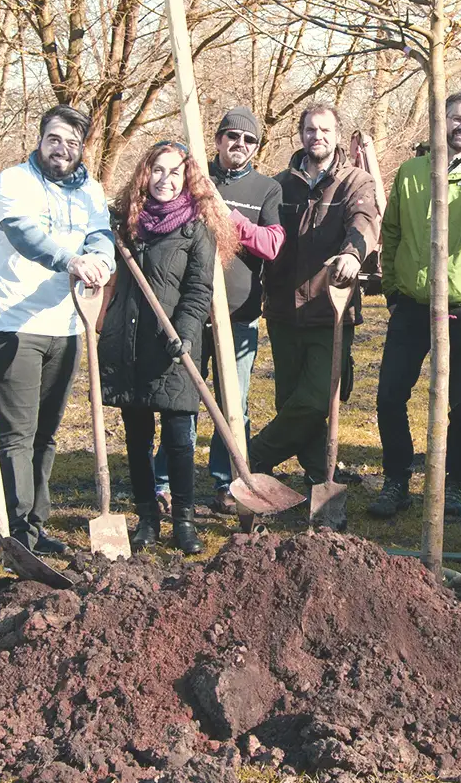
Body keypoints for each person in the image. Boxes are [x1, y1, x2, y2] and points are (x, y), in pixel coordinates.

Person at [0, 106, 114, 556]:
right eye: (54, 139)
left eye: (73, 143)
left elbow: (100, 234)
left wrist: (101, 259)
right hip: (14, 323)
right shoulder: (15, 181)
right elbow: (23, 234)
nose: (62, 149)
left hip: (68, 324)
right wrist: (70, 260)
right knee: (18, 433)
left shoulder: (90, 190)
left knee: (46, 434)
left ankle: (36, 524)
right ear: (40, 139)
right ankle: (18, 532)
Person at [371, 92, 461, 519]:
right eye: (455, 117)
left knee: (460, 402)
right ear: (441, 120)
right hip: (412, 304)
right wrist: (393, 290)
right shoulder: (412, 171)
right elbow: (392, 231)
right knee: (390, 395)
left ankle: (454, 483)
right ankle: (397, 480)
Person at [97, 141, 236, 553]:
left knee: (179, 438)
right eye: (158, 170)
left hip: (175, 345)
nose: (165, 179)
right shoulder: (125, 222)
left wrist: (186, 333)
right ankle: (147, 519)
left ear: (187, 179)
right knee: (137, 438)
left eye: (175, 172)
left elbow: (198, 290)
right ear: (145, 173)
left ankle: (184, 522)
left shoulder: (197, 228)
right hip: (129, 343)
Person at [154, 108, 283, 516]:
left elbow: (272, 245)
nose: (240, 144)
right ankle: (166, 483)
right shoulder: (191, 177)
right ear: (218, 139)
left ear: (256, 147)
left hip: (238, 315)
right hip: (189, 312)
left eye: (249, 139)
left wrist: (229, 216)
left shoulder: (267, 189)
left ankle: (228, 484)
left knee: (234, 407)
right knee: (180, 401)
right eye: (232, 136)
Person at [247, 102, 380, 484]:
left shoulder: (355, 181)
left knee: (319, 396)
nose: (317, 136)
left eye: (324, 130)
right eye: (310, 129)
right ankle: (320, 472)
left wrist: (353, 253)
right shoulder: (279, 185)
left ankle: (254, 456)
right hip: (284, 308)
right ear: (301, 134)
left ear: (336, 135)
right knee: (290, 399)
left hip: (330, 307)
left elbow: (364, 221)